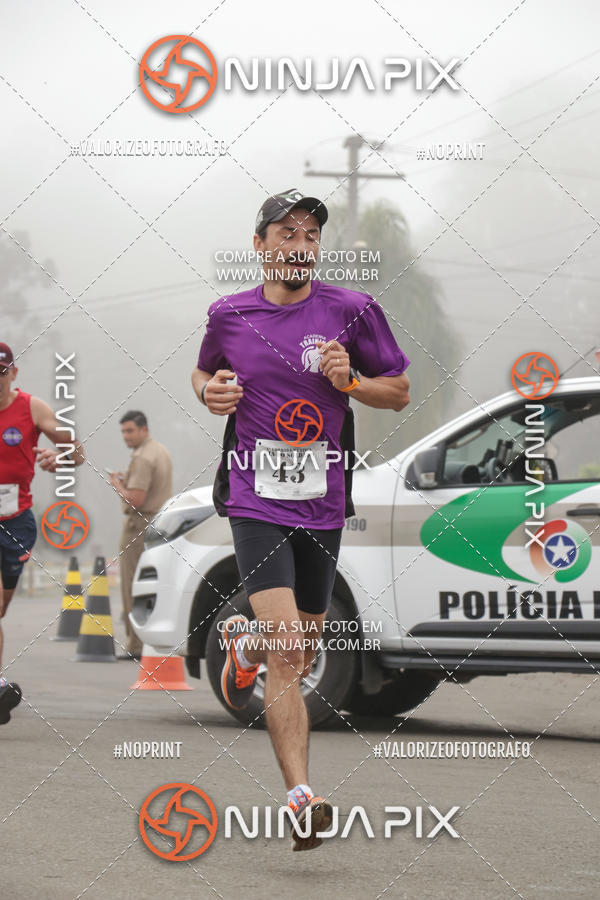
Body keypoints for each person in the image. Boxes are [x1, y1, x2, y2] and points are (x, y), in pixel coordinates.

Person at [192, 189, 410, 850]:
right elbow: (204, 376)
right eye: (287, 233)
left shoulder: (352, 311)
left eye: (311, 235)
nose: (300, 245)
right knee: (291, 646)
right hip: (255, 499)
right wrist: (214, 394)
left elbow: (397, 391)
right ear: (260, 245)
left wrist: (351, 384)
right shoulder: (230, 315)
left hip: (322, 502)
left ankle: (241, 642)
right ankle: (301, 797)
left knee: (300, 645)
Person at [0, 342, 85, 725]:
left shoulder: (31, 408)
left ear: (13, 373)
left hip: (15, 521)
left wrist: (57, 456)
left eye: (1, 372)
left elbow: (77, 452)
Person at [109, 411, 172, 659]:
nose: (126, 436)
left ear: (143, 429)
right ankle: (155, 640)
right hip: (160, 522)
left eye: (130, 431)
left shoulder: (144, 457)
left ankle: (136, 644)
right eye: (123, 431)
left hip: (140, 525)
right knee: (154, 585)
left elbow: (136, 499)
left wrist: (117, 485)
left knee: (133, 586)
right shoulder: (160, 451)